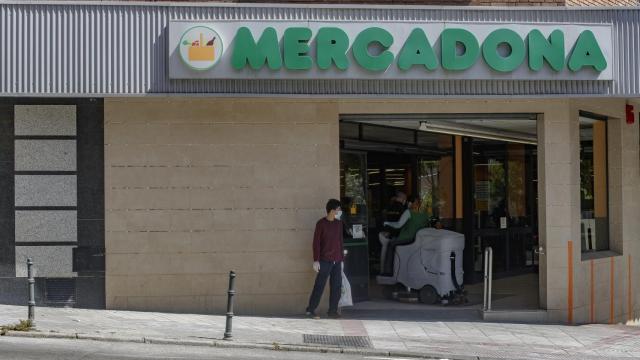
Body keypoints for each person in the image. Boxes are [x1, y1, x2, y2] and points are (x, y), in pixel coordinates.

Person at [305, 199, 344, 319]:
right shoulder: (321, 224)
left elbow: (340, 242)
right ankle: (310, 310)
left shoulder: (339, 224)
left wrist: (341, 259)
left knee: (336, 286)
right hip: (324, 260)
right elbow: (316, 243)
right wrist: (316, 260)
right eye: (338, 209)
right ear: (332, 210)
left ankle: (332, 311)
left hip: (337, 260)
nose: (339, 211)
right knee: (320, 285)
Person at [381, 195, 429, 276]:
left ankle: (388, 271)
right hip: (419, 240)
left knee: (390, 244)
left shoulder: (408, 212)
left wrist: (387, 223)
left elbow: (398, 225)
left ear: (412, 203)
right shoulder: (425, 214)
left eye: (409, 202)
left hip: (407, 238)